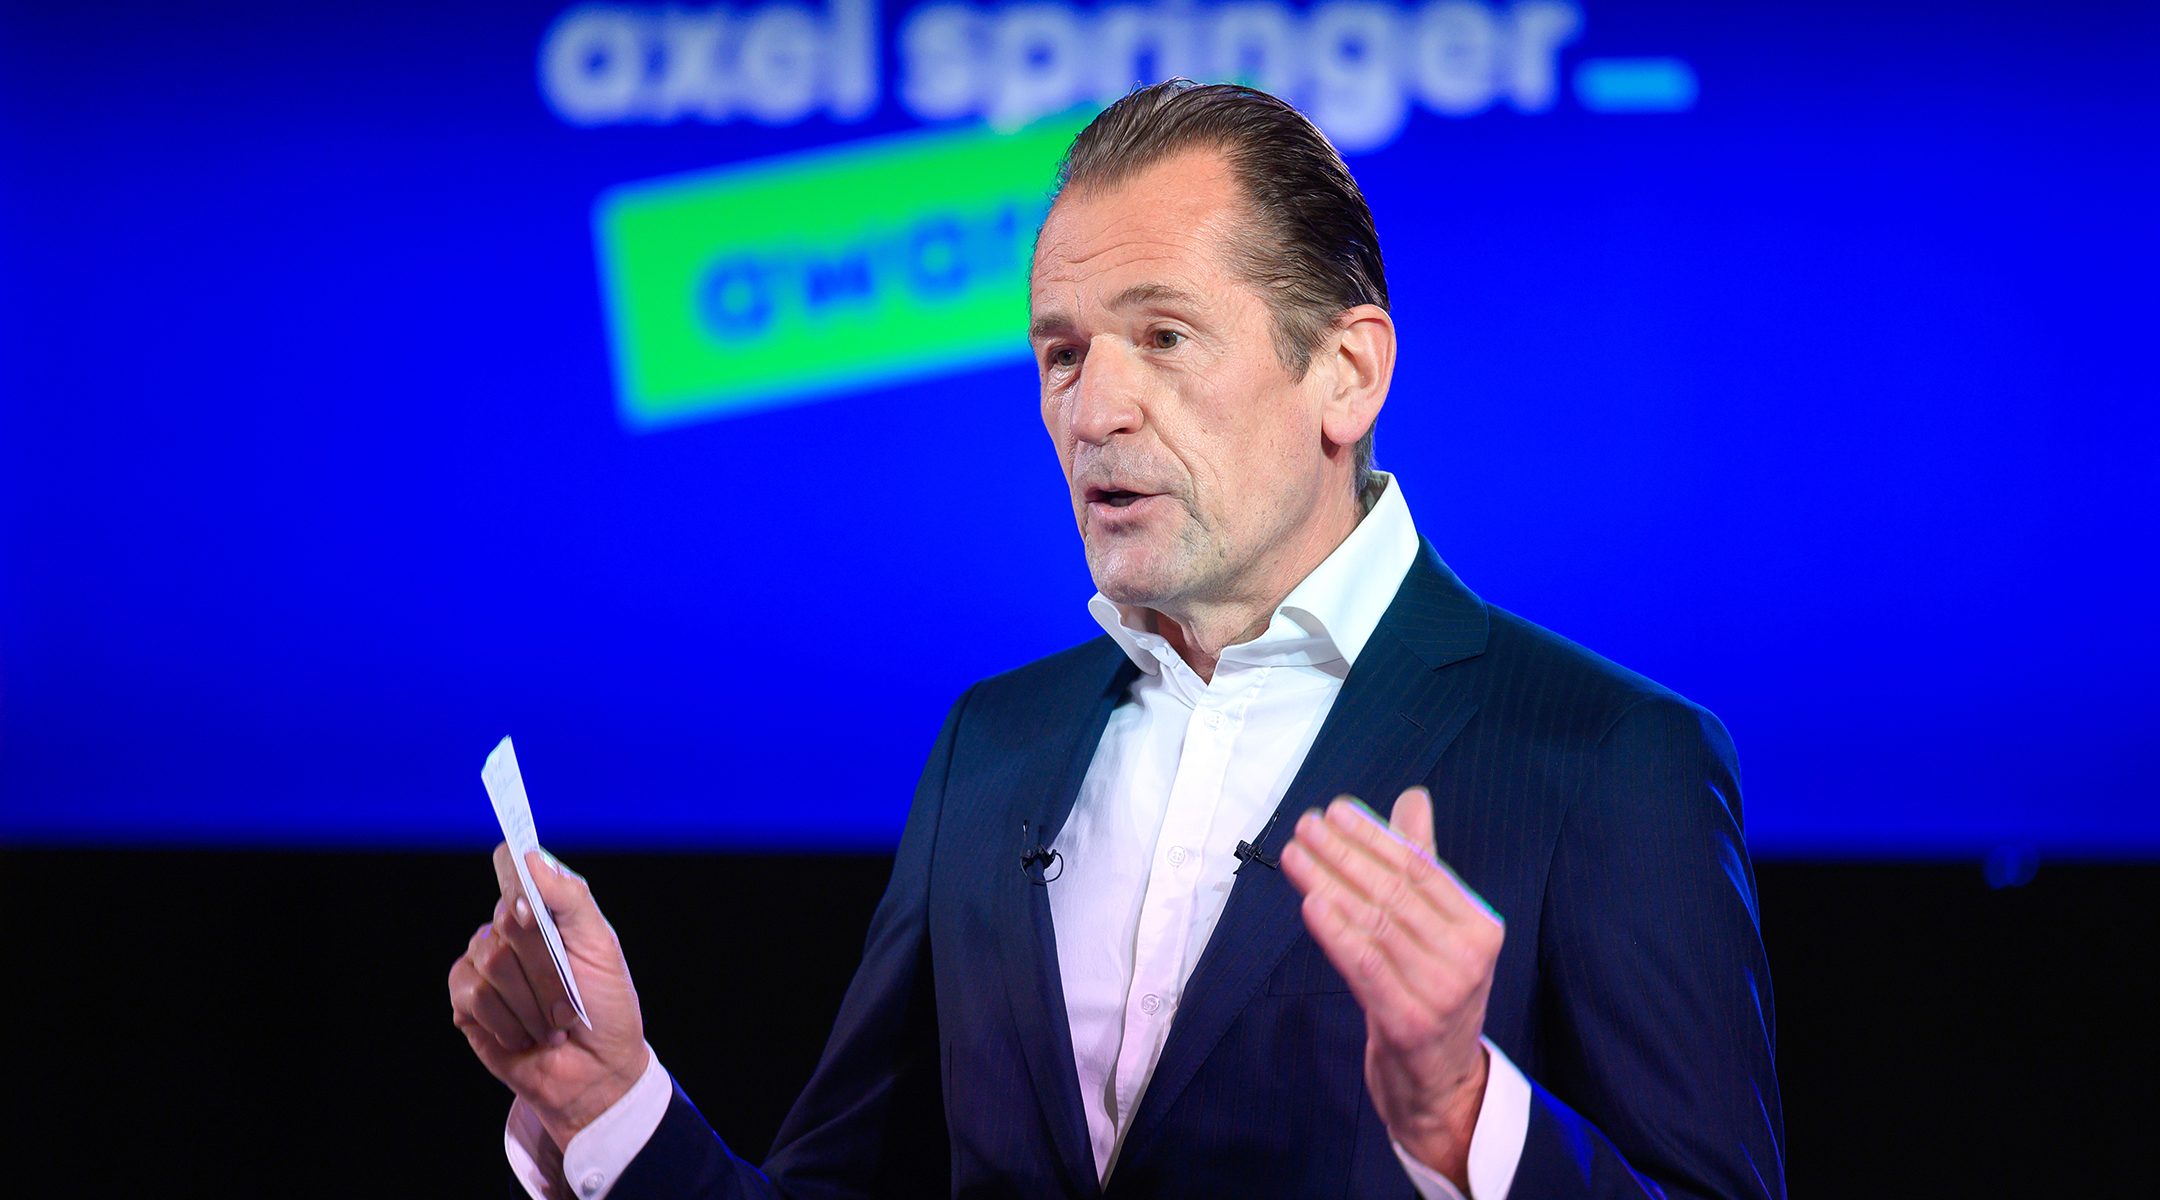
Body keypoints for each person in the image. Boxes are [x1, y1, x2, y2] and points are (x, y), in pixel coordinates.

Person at [449, 81, 1784, 1199]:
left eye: (1163, 336)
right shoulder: (997, 749)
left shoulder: (1608, 756)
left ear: (1348, 373)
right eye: (1063, 352)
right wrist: (610, 1101)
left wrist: (1466, 1111)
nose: (1096, 407)